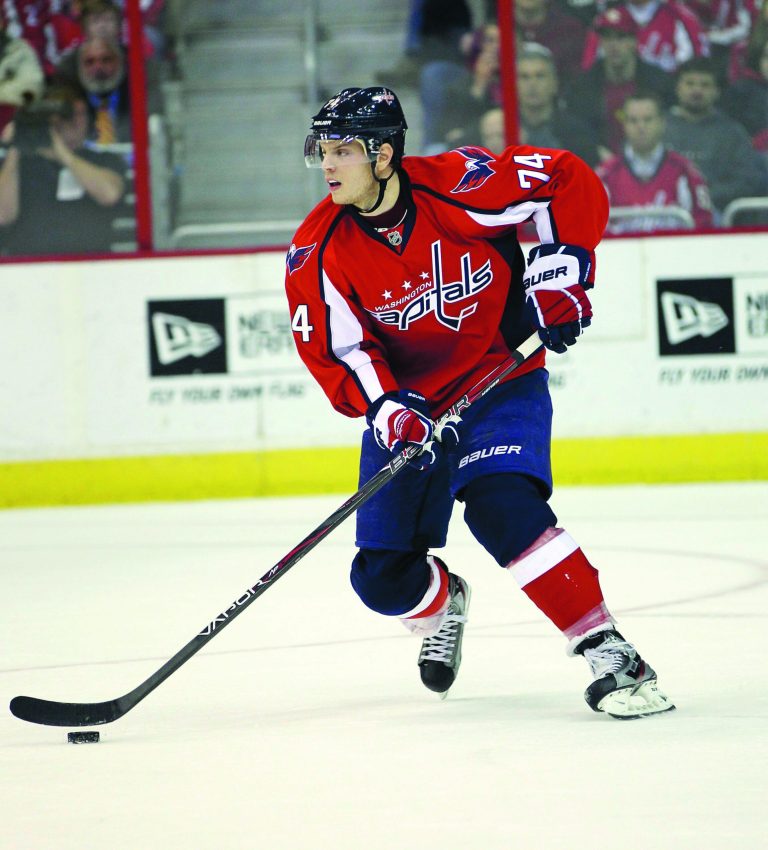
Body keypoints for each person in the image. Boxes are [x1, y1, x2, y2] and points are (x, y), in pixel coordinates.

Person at [284, 86, 675, 719]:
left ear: (383, 154)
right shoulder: (317, 249)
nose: (327, 165)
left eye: (343, 151)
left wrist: (558, 275)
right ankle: (444, 606)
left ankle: (611, 654)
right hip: (411, 409)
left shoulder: (459, 185)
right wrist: (388, 409)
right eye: (322, 151)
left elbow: (563, 181)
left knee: (501, 506)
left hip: (499, 378)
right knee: (381, 579)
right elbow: (340, 350)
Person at [0, 81, 126, 254]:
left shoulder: (104, 160)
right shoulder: (17, 166)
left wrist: (62, 153)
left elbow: (110, 194)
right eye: (69, 114)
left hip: (91, 263)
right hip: (29, 264)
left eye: (82, 114)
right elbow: (2, 214)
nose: (76, 121)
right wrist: (18, 143)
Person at [566, 6, 675, 158]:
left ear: (635, 41)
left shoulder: (658, 82)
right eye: (607, 38)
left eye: (621, 37)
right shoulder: (583, 85)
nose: (613, 45)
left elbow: (669, 126)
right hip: (597, 161)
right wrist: (596, 152)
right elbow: (577, 130)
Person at [597, 91, 714, 232]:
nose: (641, 127)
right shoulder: (605, 175)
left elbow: (703, 226)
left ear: (662, 123)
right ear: (624, 125)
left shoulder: (686, 172)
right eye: (633, 120)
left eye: (647, 119)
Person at [663, 56, 767, 214]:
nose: (697, 90)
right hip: (664, 208)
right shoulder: (658, 127)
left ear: (717, 92)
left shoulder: (732, 133)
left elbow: (747, 179)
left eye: (705, 85)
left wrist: (704, 196)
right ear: (677, 88)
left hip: (716, 212)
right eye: (690, 83)